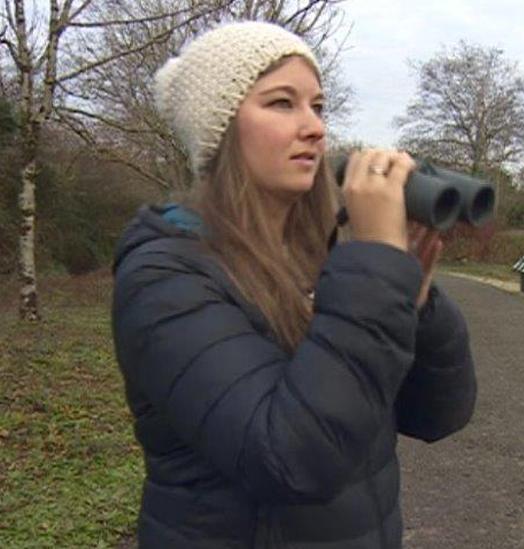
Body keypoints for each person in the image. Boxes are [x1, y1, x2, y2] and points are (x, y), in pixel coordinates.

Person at [111, 21, 477, 548]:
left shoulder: (320, 258)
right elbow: (290, 459)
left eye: (318, 106)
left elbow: (438, 414)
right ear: (220, 130)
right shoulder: (165, 275)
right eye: (282, 103)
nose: (314, 128)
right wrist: (373, 271)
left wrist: (412, 304)